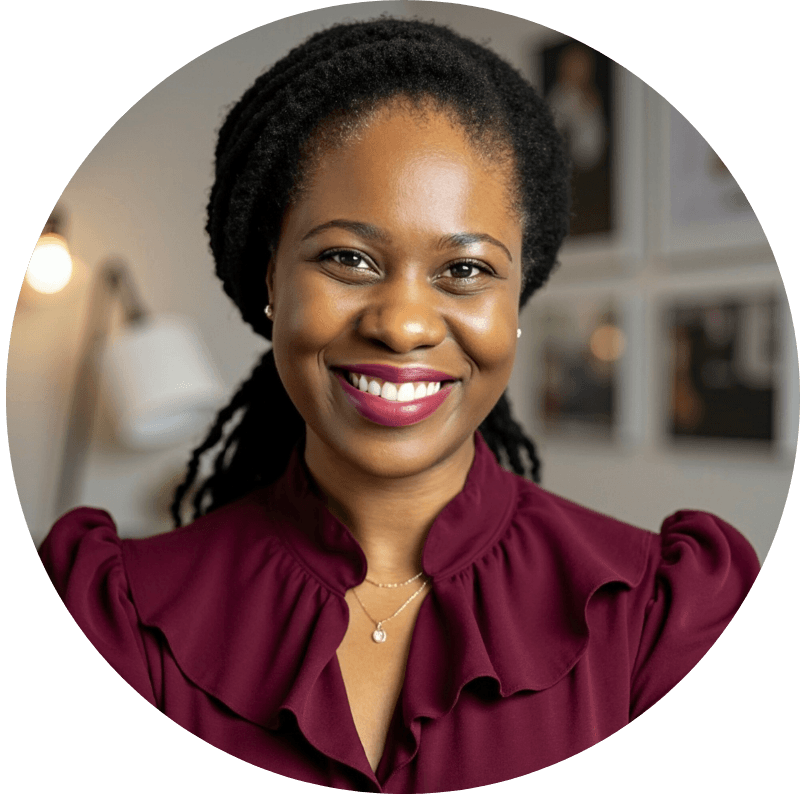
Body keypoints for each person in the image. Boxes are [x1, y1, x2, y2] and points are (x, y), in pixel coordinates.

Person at [39, 18, 760, 793]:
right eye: (348, 258)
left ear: (518, 300)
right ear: (272, 280)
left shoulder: (662, 616)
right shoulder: (108, 616)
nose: (404, 324)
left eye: (465, 270)